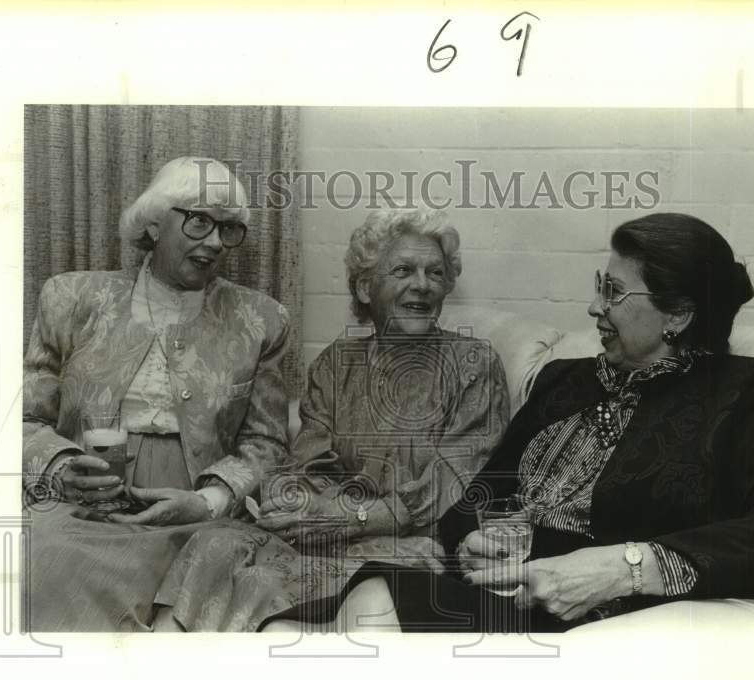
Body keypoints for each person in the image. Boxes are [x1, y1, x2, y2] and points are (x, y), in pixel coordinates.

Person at [272, 212, 754, 633]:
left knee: (371, 605)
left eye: (614, 293)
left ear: (678, 314)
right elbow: (475, 501)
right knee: (278, 631)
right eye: (600, 285)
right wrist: (470, 539)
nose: (594, 307)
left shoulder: (745, 390)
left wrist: (624, 567)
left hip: (585, 613)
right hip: (498, 591)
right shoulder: (563, 381)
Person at [152, 207, 510, 631]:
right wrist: (298, 502)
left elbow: (453, 483)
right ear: (364, 287)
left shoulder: (474, 363)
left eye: (435, 273)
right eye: (403, 270)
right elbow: (308, 464)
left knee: (263, 583)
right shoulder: (335, 366)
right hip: (325, 531)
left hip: (409, 547)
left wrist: (349, 517)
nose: (422, 285)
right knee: (213, 543)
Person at [23, 156, 290, 630]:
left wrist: (209, 499)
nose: (214, 242)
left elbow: (266, 444)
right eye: (199, 221)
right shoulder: (72, 299)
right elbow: (25, 420)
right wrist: (63, 470)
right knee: (40, 566)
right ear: (153, 222)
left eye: (227, 229)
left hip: (197, 519)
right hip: (82, 509)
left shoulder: (260, 319)